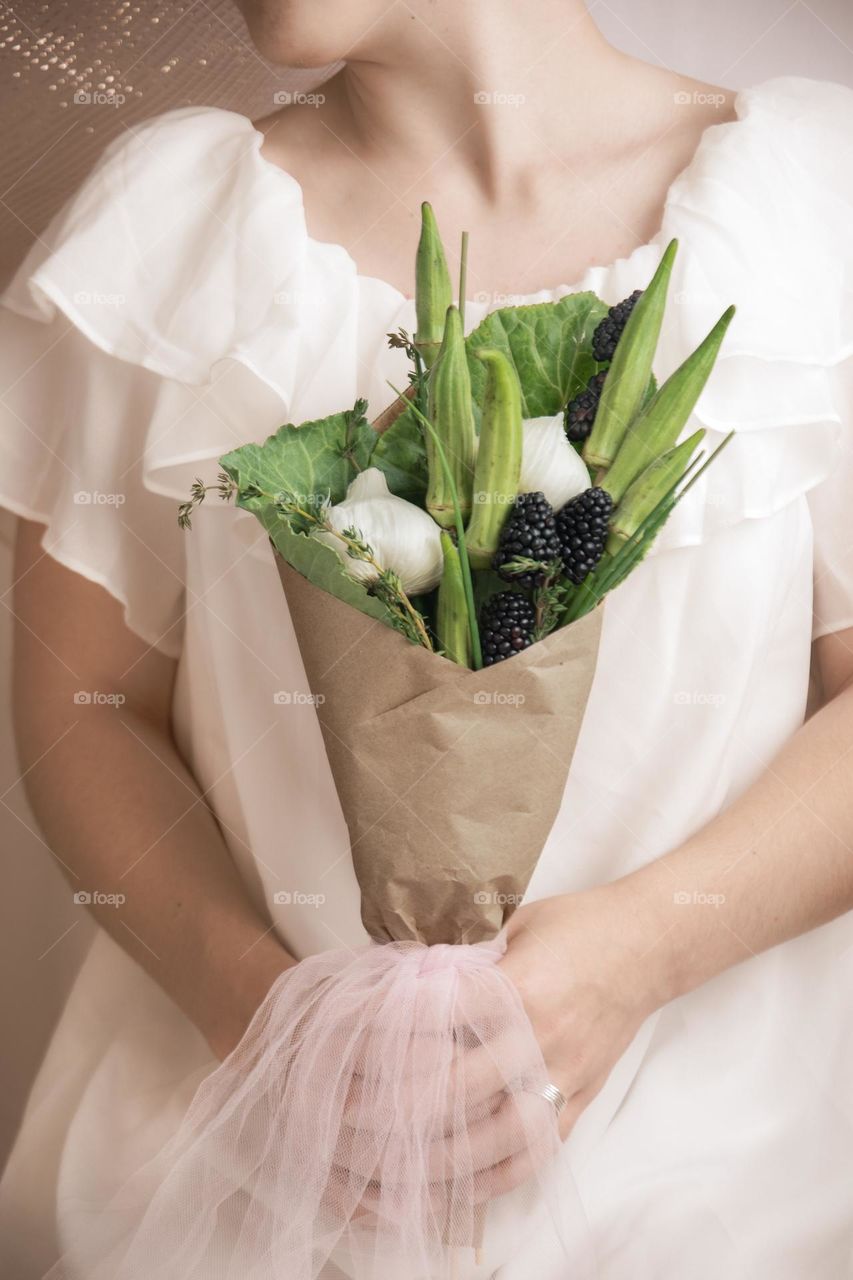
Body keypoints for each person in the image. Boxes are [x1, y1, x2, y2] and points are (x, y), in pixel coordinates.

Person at [1, 1, 853, 1276]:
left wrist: (639, 955)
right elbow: (86, 707)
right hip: (250, 1174)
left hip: (730, 1167)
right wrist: (271, 1020)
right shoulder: (174, 235)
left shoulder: (814, 206)